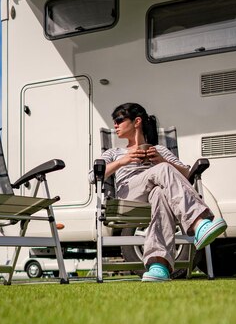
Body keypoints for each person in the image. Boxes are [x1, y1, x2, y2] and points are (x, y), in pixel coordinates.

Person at [94, 102, 227, 282]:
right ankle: (198, 223)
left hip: (157, 195)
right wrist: (123, 161)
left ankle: (158, 265)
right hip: (129, 197)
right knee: (162, 170)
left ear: (137, 121)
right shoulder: (115, 152)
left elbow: (188, 175)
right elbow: (92, 176)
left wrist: (161, 159)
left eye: (119, 120)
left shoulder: (160, 150)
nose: (115, 125)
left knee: (160, 193)